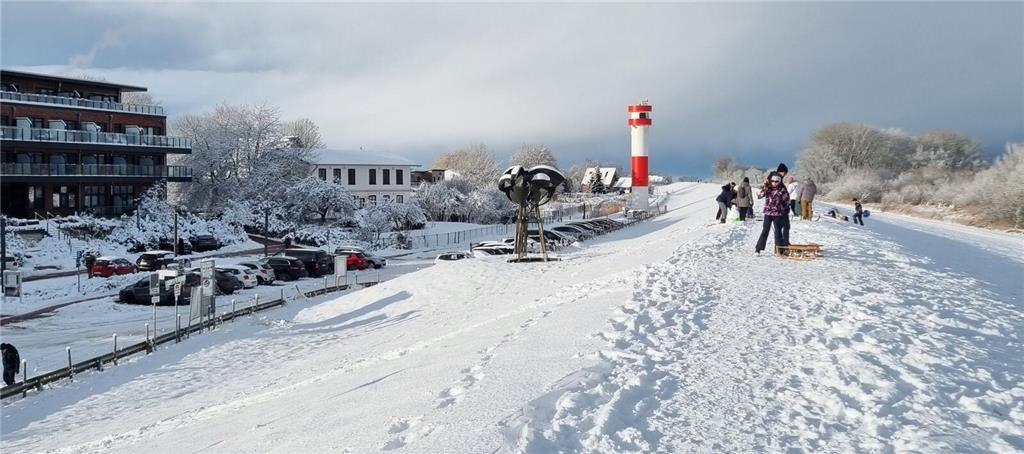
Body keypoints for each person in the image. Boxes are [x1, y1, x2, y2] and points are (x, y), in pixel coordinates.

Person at [755, 172, 790, 255]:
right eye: (772, 181)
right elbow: (760, 196)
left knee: (778, 232)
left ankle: (779, 250)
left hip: (778, 214)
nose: (774, 183)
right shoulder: (768, 189)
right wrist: (765, 187)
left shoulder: (782, 190)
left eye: (776, 181)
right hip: (768, 213)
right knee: (765, 230)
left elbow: (787, 201)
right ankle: (758, 249)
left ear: (779, 182)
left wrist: (785, 209)